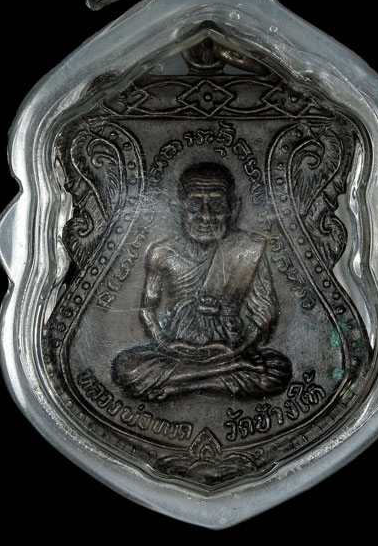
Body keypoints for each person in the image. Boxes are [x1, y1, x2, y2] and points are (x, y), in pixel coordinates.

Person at [112, 163, 291, 401]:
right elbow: (147, 311)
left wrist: (236, 348)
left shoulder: (248, 250)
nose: (206, 216)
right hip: (176, 351)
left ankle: (181, 386)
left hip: (229, 348)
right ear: (178, 208)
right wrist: (164, 344)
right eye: (195, 205)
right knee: (125, 367)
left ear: (233, 208)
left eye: (216, 206)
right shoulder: (162, 252)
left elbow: (263, 316)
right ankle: (221, 375)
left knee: (279, 370)